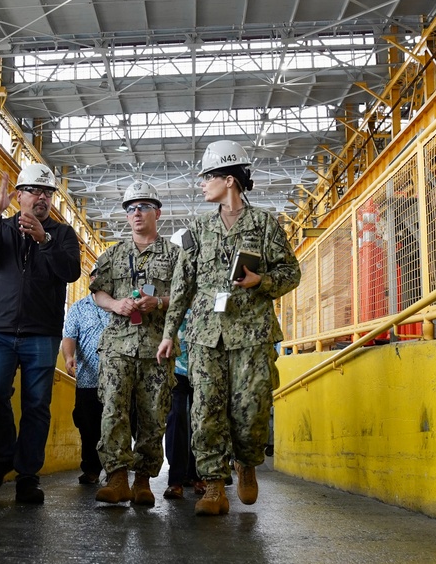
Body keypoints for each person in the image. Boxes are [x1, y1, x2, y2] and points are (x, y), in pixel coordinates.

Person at [157, 140, 300, 517]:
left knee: (251, 409)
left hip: (252, 333)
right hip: (205, 335)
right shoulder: (198, 229)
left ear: (230, 180)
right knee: (205, 410)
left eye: (208, 177)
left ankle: (247, 462)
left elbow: (291, 273)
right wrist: (170, 333)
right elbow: (182, 286)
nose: (202, 184)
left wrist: (261, 282)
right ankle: (215, 485)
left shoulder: (265, 224)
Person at [0, 163, 82, 504]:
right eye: (35, 191)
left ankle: (27, 477)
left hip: (42, 335)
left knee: (36, 406)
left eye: (48, 193)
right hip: (1, 331)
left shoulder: (62, 235)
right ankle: (4, 455)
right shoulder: (1, 229)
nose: (42, 198)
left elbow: (71, 272)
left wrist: (43, 239)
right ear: (19, 195)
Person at [91, 180, 179, 506]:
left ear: (158, 212)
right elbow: (98, 291)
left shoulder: (175, 256)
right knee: (113, 410)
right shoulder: (112, 255)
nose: (137, 213)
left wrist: (161, 302)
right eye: (131, 209)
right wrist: (116, 304)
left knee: (153, 415)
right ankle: (116, 479)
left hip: (157, 346)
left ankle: (142, 481)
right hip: (117, 344)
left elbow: (189, 295)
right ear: (127, 217)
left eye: (143, 207)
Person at [61, 266, 110, 485]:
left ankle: (116, 470)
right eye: (94, 276)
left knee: (116, 424)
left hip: (117, 380)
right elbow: (69, 335)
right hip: (88, 378)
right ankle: (91, 469)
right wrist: (69, 356)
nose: (98, 279)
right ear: (90, 280)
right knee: (88, 426)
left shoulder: (119, 305)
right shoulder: (78, 308)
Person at [162, 310, 203, 499]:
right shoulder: (174, 294)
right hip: (176, 366)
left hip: (203, 366)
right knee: (176, 418)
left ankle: (198, 476)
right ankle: (176, 480)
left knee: (201, 421)